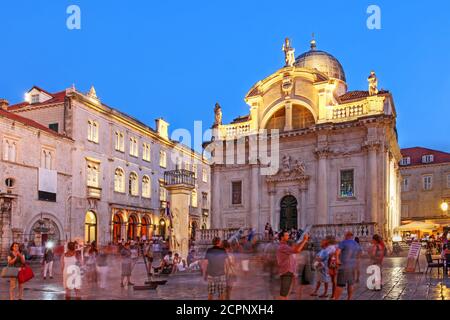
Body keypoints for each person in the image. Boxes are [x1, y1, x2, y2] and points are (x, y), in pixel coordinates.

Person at [276, 231, 310, 300]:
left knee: (286, 293)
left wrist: (303, 240)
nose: (288, 236)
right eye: (286, 235)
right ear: (282, 237)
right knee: (283, 294)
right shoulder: (283, 247)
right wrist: (304, 241)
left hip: (288, 272)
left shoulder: (284, 246)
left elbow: (295, 247)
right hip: (286, 271)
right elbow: (296, 250)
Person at [334, 232, 359, 300]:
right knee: (350, 284)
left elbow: (337, 252)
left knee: (340, 284)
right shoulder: (356, 244)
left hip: (344, 266)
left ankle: (336, 299)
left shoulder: (344, 242)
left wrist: (337, 260)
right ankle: (349, 298)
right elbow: (359, 254)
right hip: (352, 267)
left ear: (347, 236)